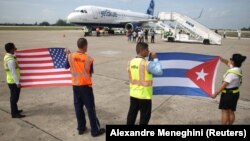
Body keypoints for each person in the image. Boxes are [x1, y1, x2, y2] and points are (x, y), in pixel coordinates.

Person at [64, 38, 105, 136]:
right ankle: (94, 131)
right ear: (85, 46)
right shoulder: (89, 59)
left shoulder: (70, 56)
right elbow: (90, 74)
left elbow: (66, 66)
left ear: (78, 45)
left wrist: (68, 55)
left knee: (78, 108)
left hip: (75, 86)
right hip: (86, 87)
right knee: (90, 109)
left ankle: (81, 128)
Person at [127, 42, 163, 125]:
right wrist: (155, 59)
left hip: (133, 94)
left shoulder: (130, 62)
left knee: (132, 115)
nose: (148, 51)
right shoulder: (147, 64)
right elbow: (159, 72)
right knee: (144, 118)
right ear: (142, 51)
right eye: (147, 49)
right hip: (144, 95)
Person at [212, 54, 247, 125]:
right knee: (231, 111)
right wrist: (221, 58)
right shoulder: (237, 69)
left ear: (233, 62)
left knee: (224, 111)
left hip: (228, 94)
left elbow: (224, 84)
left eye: (231, 59)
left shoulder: (231, 73)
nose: (230, 59)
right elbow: (227, 62)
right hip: (235, 93)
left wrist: (216, 93)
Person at [4, 43, 25, 118]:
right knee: (14, 98)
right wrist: (17, 82)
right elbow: (13, 73)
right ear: (11, 49)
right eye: (14, 48)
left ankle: (15, 110)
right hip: (13, 82)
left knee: (15, 97)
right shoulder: (10, 60)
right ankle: (14, 113)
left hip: (12, 81)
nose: (16, 49)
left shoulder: (8, 56)